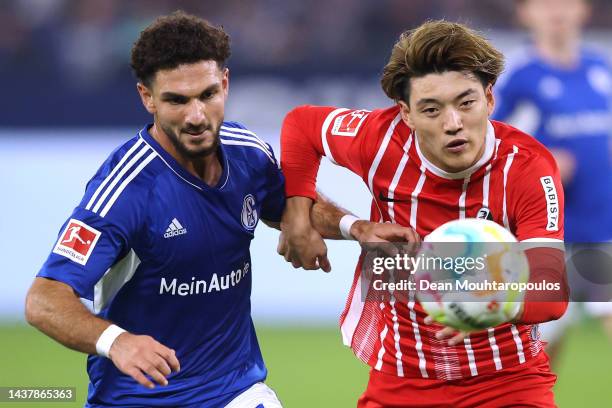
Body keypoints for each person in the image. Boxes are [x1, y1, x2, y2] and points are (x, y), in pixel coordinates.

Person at [24, 11, 412, 407]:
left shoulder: (246, 151)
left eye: (207, 95)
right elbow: (44, 299)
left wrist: (354, 228)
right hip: (138, 399)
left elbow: (292, 209)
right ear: (147, 97)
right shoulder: (125, 191)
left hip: (236, 391)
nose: (196, 117)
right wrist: (116, 340)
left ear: (225, 84)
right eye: (177, 100)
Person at [279, 20, 569, 407]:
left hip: (507, 380)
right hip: (402, 378)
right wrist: (298, 216)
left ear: (490, 99)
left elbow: (551, 294)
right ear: (406, 114)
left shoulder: (528, 167)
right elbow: (301, 125)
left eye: (466, 103)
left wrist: (484, 300)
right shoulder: (379, 140)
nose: (453, 124)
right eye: (431, 109)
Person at [493, 0, 612, 359]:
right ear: (525, 13)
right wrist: (542, 165)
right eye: (543, 4)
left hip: (601, 229)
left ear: (583, 9)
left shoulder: (599, 68)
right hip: (546, 236)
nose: (555, 11)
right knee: (539, 352)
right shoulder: (518, 74)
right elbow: (485, 145)